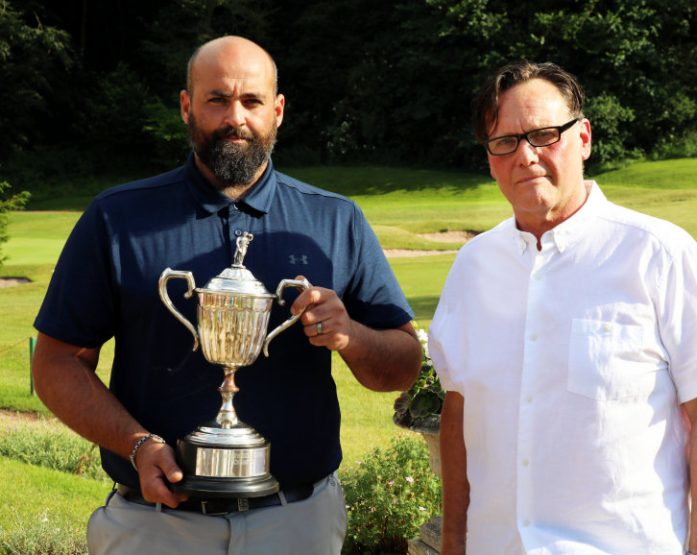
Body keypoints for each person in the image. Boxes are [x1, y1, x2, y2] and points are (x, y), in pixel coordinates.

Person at [32, 35, 421, 555]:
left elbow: (401, 367)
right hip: (154, 525)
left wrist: (350, 335)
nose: (235, 117)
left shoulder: (334, 220)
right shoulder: (117, 218)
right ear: (187, 106)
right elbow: (56, 364)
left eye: (252, 101)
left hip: (295, 524)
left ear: (278, 111)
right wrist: (137, 443)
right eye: (217, 99)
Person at [429, 61, 697, 555]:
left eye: (545, 134)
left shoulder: (656, 253)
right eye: (505, 141)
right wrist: (453, 544)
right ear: (490, 158)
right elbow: (459, 412)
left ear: (584, 139)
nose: (526, 156)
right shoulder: (472, 267)